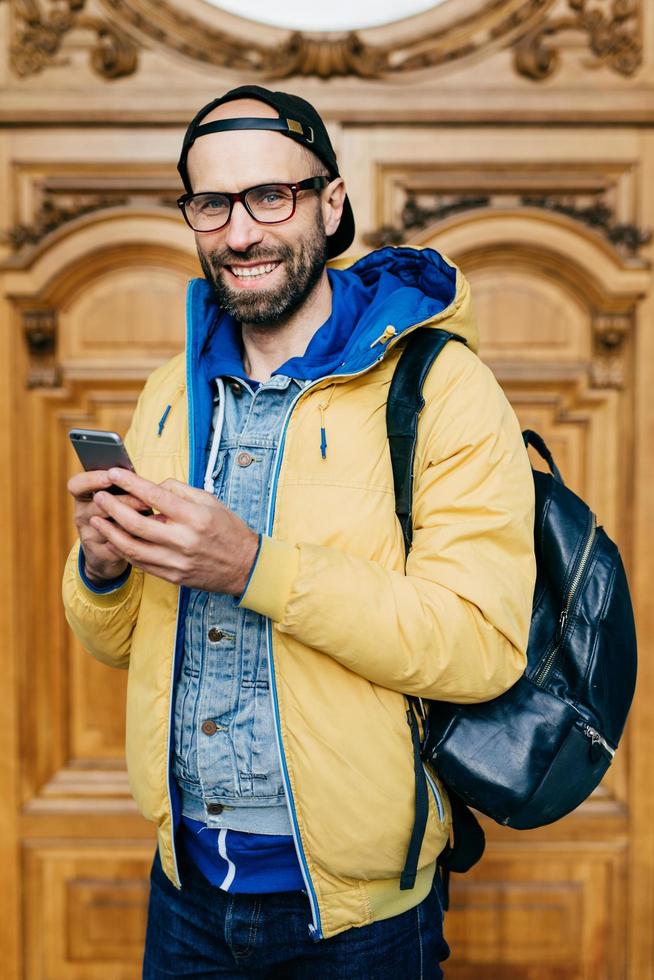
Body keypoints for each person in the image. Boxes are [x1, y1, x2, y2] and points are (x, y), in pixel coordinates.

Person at [62, 85, 536, 979]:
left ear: (331, 200)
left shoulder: (441, 387)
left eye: (270, 197)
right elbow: (120, 643)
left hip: (360, 923)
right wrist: (100, 567)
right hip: (185, 897)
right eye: (212, 205)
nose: (240, 233)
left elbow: (483, 644)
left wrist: (252, 566)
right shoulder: (172, 390)